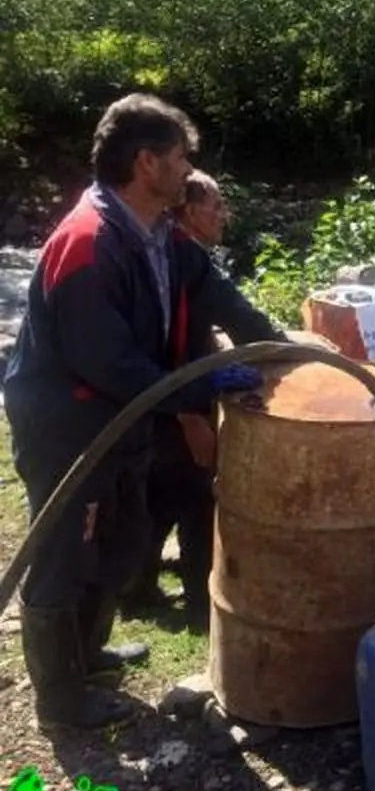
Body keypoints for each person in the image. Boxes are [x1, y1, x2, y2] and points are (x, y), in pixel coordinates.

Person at [3, 94, 285, 729]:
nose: (189, 170)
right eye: (181, 158)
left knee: (125, 536)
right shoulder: (87, 242)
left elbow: (216, 293)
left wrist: (276, 347)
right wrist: (201, 387)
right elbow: (108, 363)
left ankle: (90, 652)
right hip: (68, 423)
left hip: (121, 418)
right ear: (146, 161)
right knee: (64, 552)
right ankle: (60, 699)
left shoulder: (159, 231)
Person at [120, 170, 230, 627]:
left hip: (166, 398)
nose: (223, 215)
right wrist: (191, 417)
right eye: (216, 205)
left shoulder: (173, 253)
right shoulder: (176, 257)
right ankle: (202, 600)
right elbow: (171, 346)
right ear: (187, 211)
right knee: (193, 495)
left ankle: (135, 586)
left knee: (158, 496)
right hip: (171, 401)